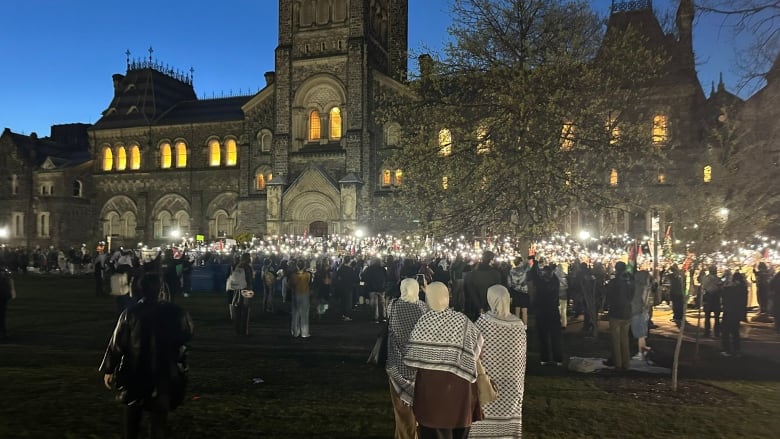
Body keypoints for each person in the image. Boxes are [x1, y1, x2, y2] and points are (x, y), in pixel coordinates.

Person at [99, 273, 193, 439]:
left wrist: (109, 368)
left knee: (132, 415)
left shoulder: (130, 314)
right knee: (159, 419)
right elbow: (186, 336)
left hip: (135, 372)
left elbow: (118, 343)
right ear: (161, 289)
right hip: (164, 373)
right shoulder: (177, 313)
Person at [404, 282, 484, 439]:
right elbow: (478, 350)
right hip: (460, 390)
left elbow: (412, 357)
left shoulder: (424, 322)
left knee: (433, 431)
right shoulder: (462, 321)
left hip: (431, 391)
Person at [470, 285, 527, 438]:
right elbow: (521, 359)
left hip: (489, 384)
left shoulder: (484, 323)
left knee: (486, 416)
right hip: (513, 384)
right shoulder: (518, 325)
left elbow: (474, 354)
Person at [386, 278, 429, 439]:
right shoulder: (423, 308)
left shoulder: (393, 306)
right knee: (420, 406)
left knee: (402, 409)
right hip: (419, 367)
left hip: (397, 366)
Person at [532, 264, 564, 366]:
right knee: (555, 336)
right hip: (553, 311)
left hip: (542, 312)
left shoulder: (541, 283)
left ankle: (545, 358)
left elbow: (537, 294)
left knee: (543, 337)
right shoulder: (555, 282)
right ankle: (557, 358)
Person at [605, 261, 633, 371]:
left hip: (616, 313)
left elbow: (609, 295)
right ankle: (626, 363)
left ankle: (618, 364)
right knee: (625, 339)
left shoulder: (614, 282)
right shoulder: (630, 282)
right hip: (627, 313)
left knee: (616, 340)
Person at [464, 251, 502, 322]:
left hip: (475, 306)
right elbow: (498, 291)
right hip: (491, 306)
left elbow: (470, 291)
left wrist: (479, 307)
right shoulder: (495, 274)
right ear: (491, 260)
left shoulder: (472, 274)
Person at [720, 272, 748, 357]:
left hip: (729, 312)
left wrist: (724, 283)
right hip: (737, 313)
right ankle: (737, 350)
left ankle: (727, 350)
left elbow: (724, 293)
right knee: (735, 332)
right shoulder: (743, 289)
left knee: (726, 331)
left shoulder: (732, 289)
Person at [630, 270, 653, 361]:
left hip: (637, 311)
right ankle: (643, 351)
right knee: (642, 335)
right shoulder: (647, 287)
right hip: (642, 312)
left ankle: (641, 353)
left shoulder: (637, 286)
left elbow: (643, 300)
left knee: (640, 335)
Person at [289, 260, 313, 338]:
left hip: (296, 294)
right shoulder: (308, 275)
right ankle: (304, 333)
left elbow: (290, 285)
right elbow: (310, 283)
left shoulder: (293, 275)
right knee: (304, 314)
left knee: (295, 314)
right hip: (305, 294)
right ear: (304, 266)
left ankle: (295, 332)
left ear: (297, 266)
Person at [226, 254, 253, 320]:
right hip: (246, 287)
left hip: (238, 287)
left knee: (237, 303)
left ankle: (236, 317)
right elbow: (249, 278)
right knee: (246, 304)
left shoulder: (238, 265)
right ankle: (244, 320)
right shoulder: (247, 266)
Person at [363, 257, 389, 322]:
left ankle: (375, 317)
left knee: (374, 303)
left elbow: (364, 277)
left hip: (372, 288)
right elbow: (387, 278)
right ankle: (383, 316)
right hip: (381, 288)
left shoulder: (369, 269)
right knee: (382, 303)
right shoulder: (382, 269)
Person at [701, 265, 723, 338]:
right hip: (713, 298)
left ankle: (708, 332)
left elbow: (703, 286)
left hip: (710, 298)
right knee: (715, 317)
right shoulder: (717, 279)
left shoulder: (706, 278)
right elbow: (720, 287)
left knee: (709, 317)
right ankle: (715, 332)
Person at [507, 256, 530, 323]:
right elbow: (529, 265)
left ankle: (518, 326)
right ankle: (525, 327)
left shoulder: (511, 271)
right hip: (524, 291)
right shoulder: (524, 270)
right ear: (520, 262)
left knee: (517, 309)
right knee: (524, 310)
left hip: (515, 291)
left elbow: (509, 283)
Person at [0, 266, 17, 341]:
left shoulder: (5, 279)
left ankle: (3, 333)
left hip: (2, 299)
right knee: (2, 317)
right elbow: (8, 290)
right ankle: (3, 333)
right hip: (3, 299)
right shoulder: (5, 279)